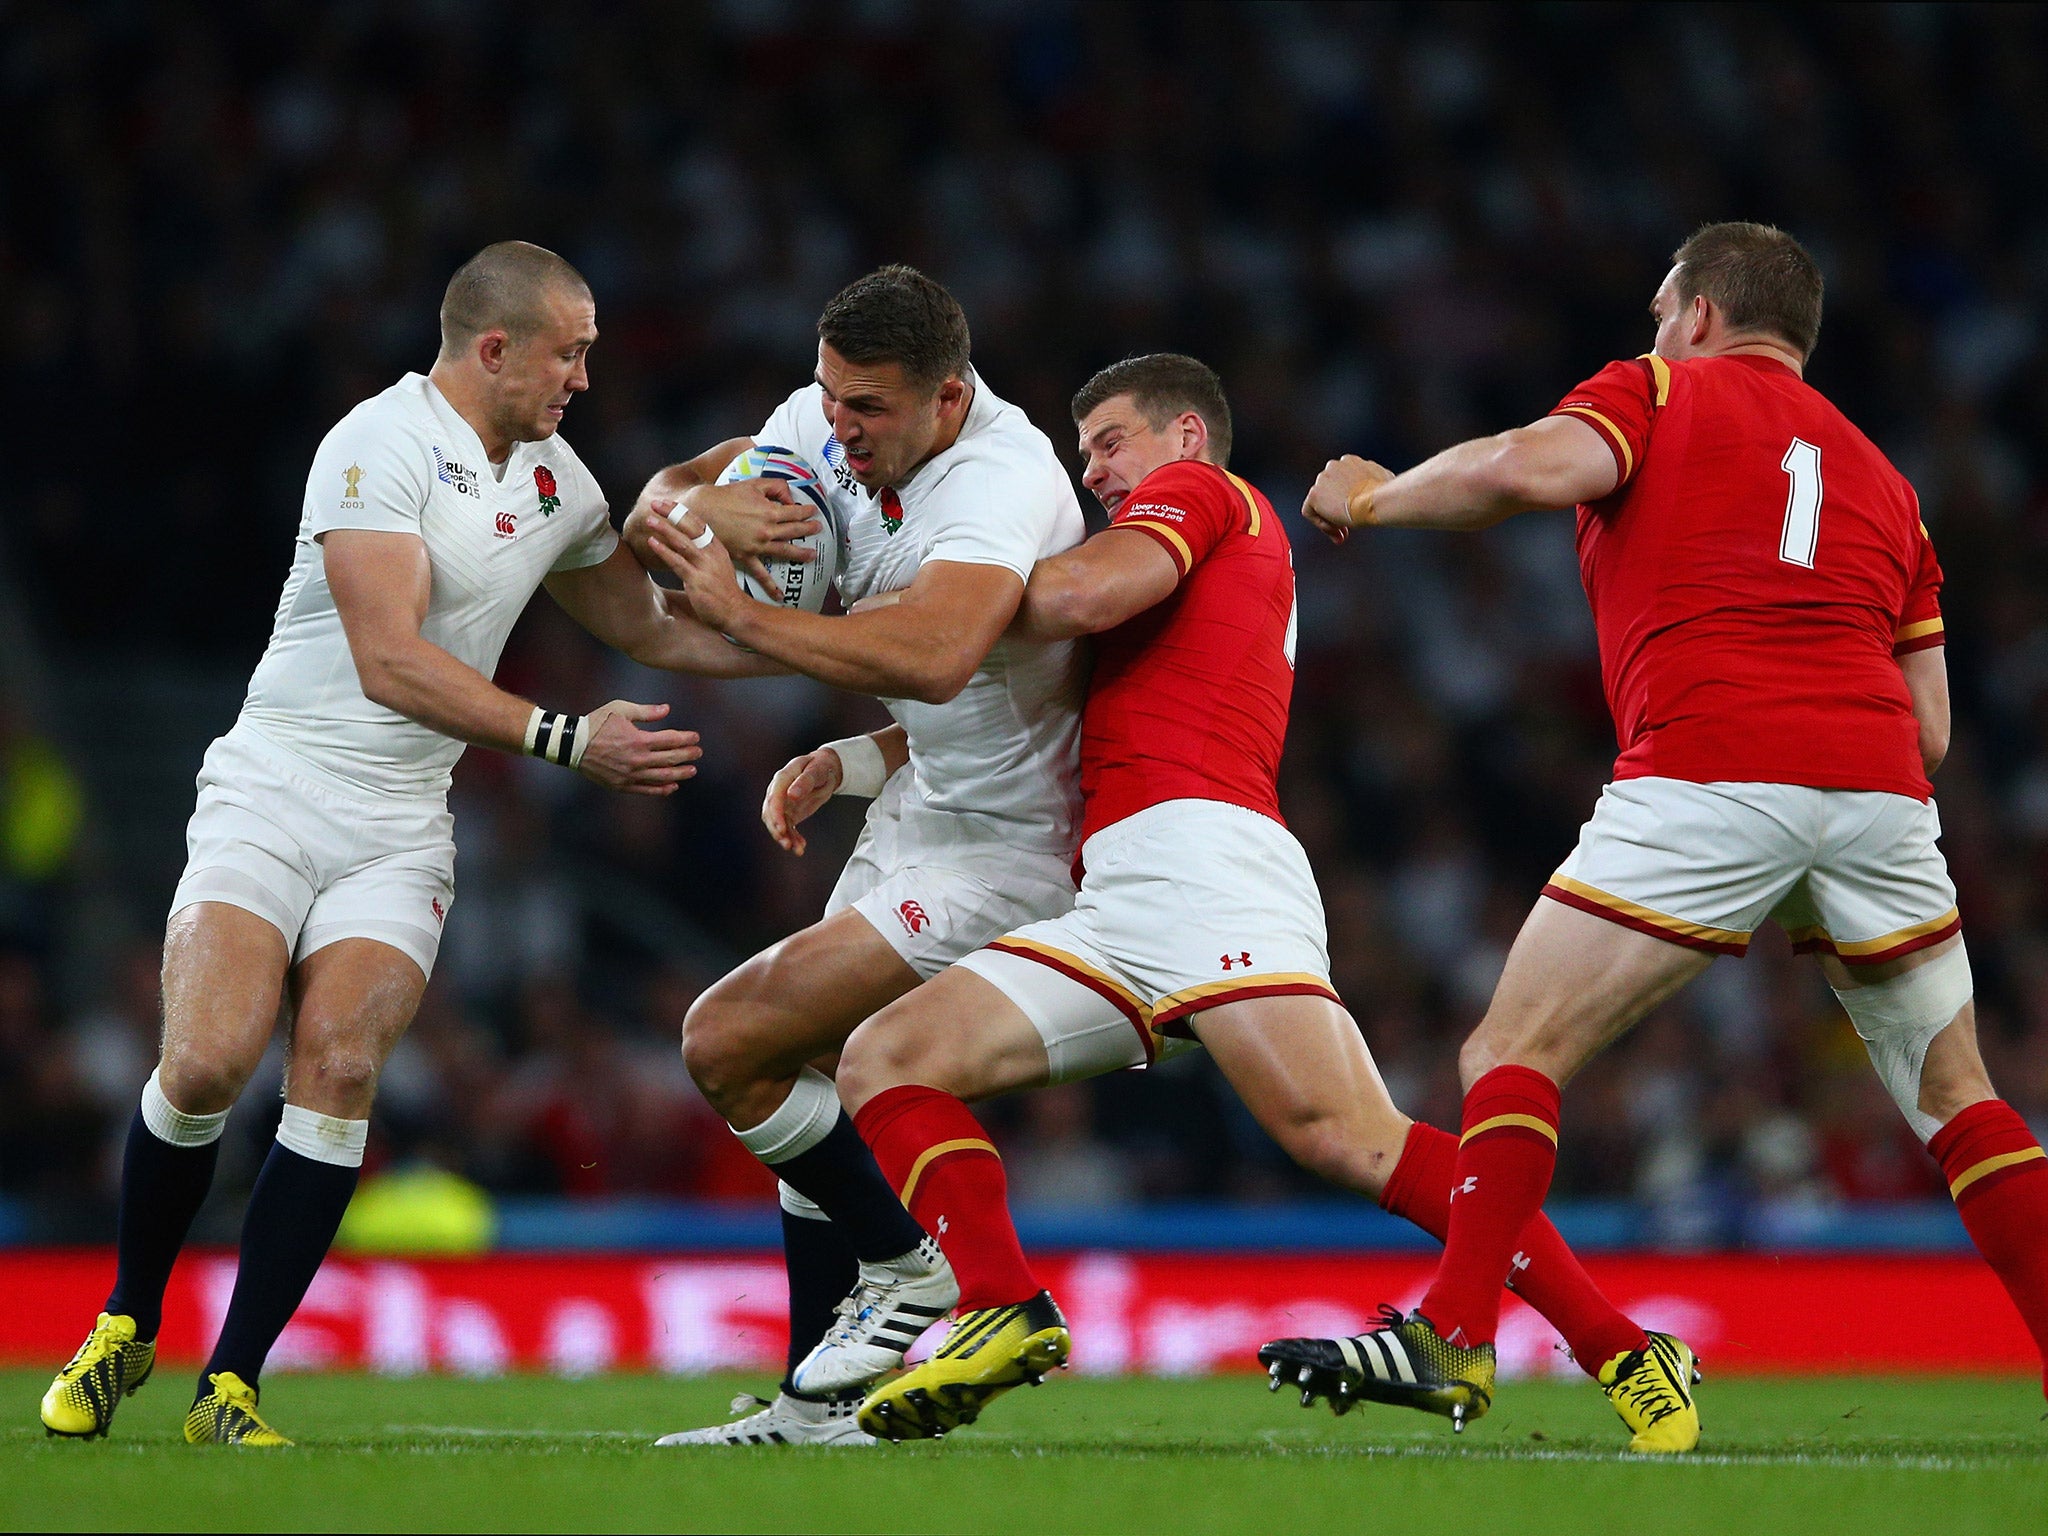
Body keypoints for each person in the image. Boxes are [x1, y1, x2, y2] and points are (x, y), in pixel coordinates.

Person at [778, 354, 1698, 1452]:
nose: (1093, 471)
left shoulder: (1202, 494)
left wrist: (920, 587)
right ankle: (999, 1303)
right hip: (1119, 889)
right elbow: (1011, 715)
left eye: (1109, 443)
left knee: (1345, 1138)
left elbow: (1063, 597)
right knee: (888, 1055)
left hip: (1203, 862)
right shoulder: (1157, 575)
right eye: (1080, 455)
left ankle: (1624, 1348)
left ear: (1182, 434)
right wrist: (858, 759)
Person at [1263, 220, 2048, 1429]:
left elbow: (1529, 467)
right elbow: (1930, 728)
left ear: (1696, 313)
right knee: (1960, 1100)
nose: (1649, 329)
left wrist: (1374, 494)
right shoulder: (1889, 486)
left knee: (1508, 1054)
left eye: (1654, 310)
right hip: (1880, 792)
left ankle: (1452, 1337)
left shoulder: (1655, 389)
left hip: (1710, 766)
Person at [39, 241, 770, 1447]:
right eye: (568, 351)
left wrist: (821, 648)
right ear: (494, 350)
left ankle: (233, 1387)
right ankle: (125, 1319)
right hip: (274, 789)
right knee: (214, 1062)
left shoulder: (554, 477)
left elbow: (651, 627)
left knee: (337, 1070)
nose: (585, 376)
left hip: (397, 830)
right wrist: (564, 738)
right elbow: (388, 660)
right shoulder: (372, 444)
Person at [627, 267, 1089, 1447]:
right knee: (802, 1075)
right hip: (919, 807)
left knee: (728, 1040)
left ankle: (911, 1263)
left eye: (868, 409)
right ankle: (808, 1405)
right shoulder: (825, 418)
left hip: (1011, 848)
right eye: (831, 399)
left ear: (946, 397)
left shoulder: (999, 481)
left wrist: (739, 615)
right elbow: (666, 495)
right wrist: (692, 509)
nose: (840, 429)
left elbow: (938, 655)